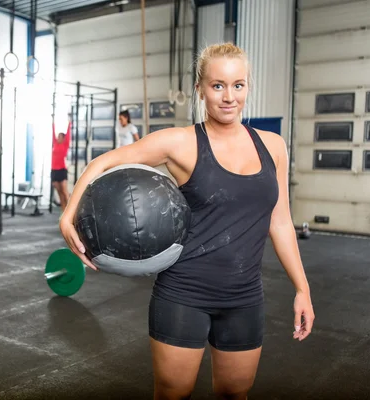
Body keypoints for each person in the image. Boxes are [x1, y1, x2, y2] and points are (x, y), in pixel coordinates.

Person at [59, 43, 315, 400]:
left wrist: (302, 289)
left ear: (248, 87)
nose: (229, 97)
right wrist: (68, 215)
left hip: (244, 297)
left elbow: (281, 222)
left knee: (234, 393)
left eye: (238, 85)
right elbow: (103, 163)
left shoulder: (273, 145)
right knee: (172, 394)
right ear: (200, 89)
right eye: (218, 85)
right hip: (184, 294)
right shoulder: (180, 143)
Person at [51, 120, 71, 213]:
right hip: (54, 170)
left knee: (64, 191)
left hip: (62, 170)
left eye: (60, 136)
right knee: (59, 193)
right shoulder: (55, 144)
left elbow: (68, 134)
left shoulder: (65, 144)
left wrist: (69, 123)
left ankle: (70, 212)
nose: (58, 138)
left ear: (63, 138)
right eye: (57, 136)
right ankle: (64, 213)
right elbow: (52, 132)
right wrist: (53, 122)